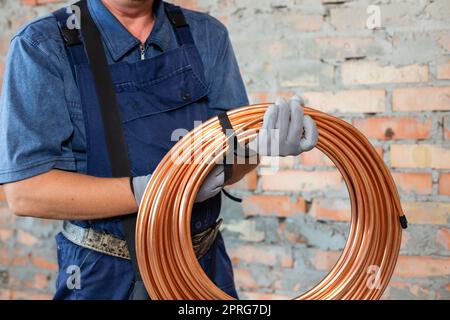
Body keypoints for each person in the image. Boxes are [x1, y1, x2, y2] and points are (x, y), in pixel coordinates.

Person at [0, 0, 318, 300]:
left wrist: (257, 149)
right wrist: (163, 188)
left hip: (202, 266)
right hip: (102, 275)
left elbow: (232, 160)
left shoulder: (206, 34)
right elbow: (26, 191)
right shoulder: (43, 45)